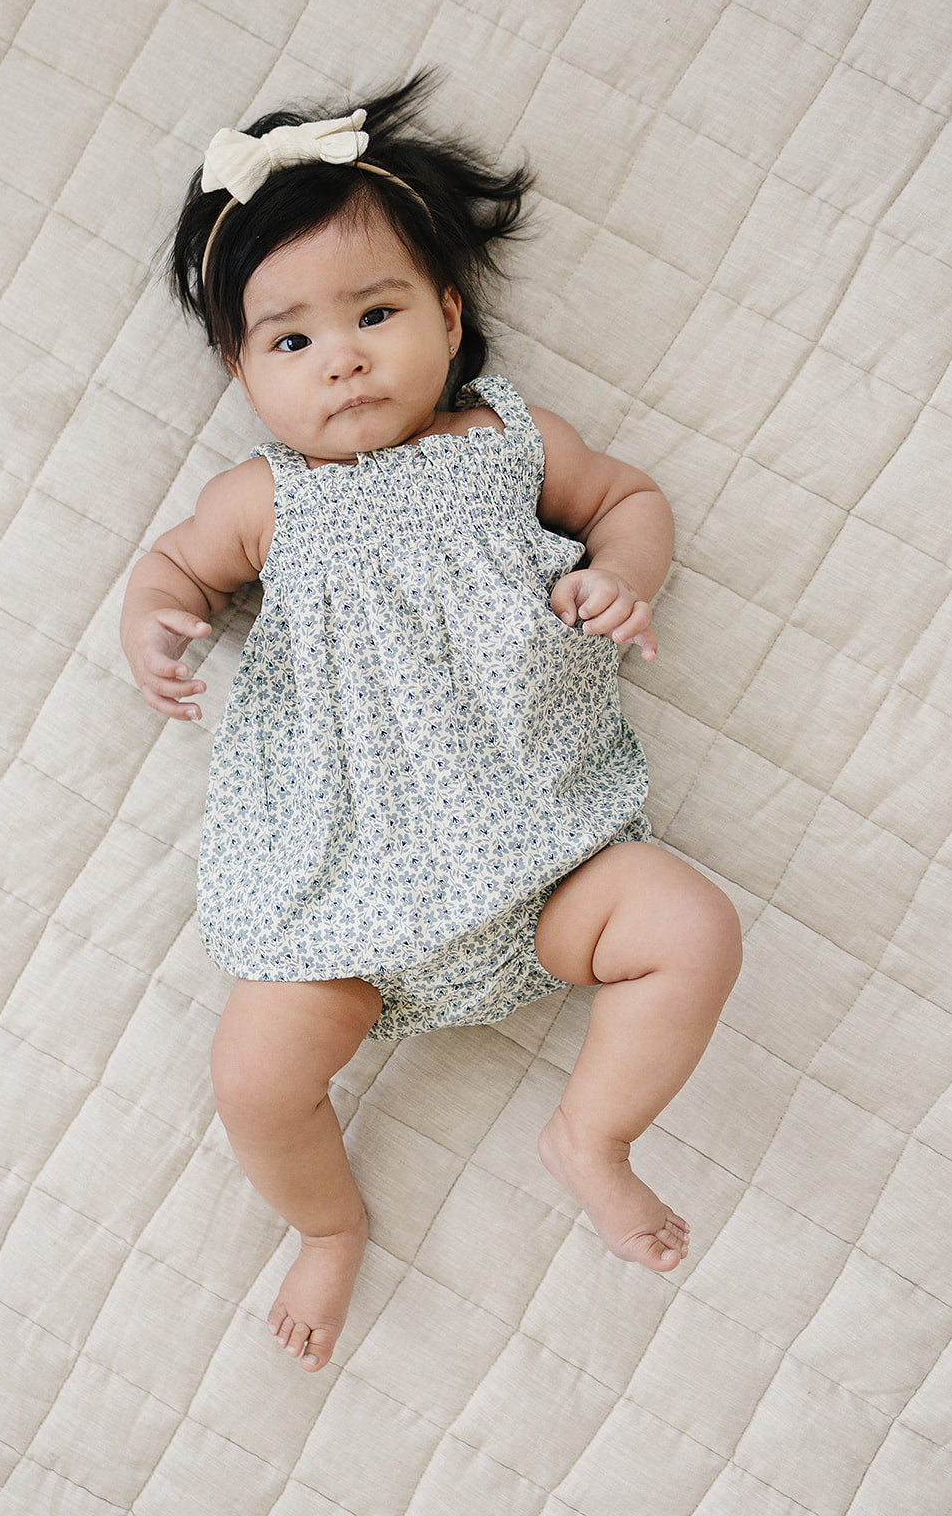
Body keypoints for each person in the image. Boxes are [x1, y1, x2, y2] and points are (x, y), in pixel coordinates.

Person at [121, 73, 742, 1374]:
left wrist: (621, 574)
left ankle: (593, 1134)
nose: (342, 357)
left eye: (376, 313)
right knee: (254, 1077)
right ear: (239, 370)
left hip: (549, 863)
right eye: (290, 341)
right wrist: (157, 623)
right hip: (341, 905)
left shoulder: (509, 439)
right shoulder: (262, 499)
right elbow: (173, 568)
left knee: (691, 927)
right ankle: (328, 1224)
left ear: (449, 315)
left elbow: (628, 498)